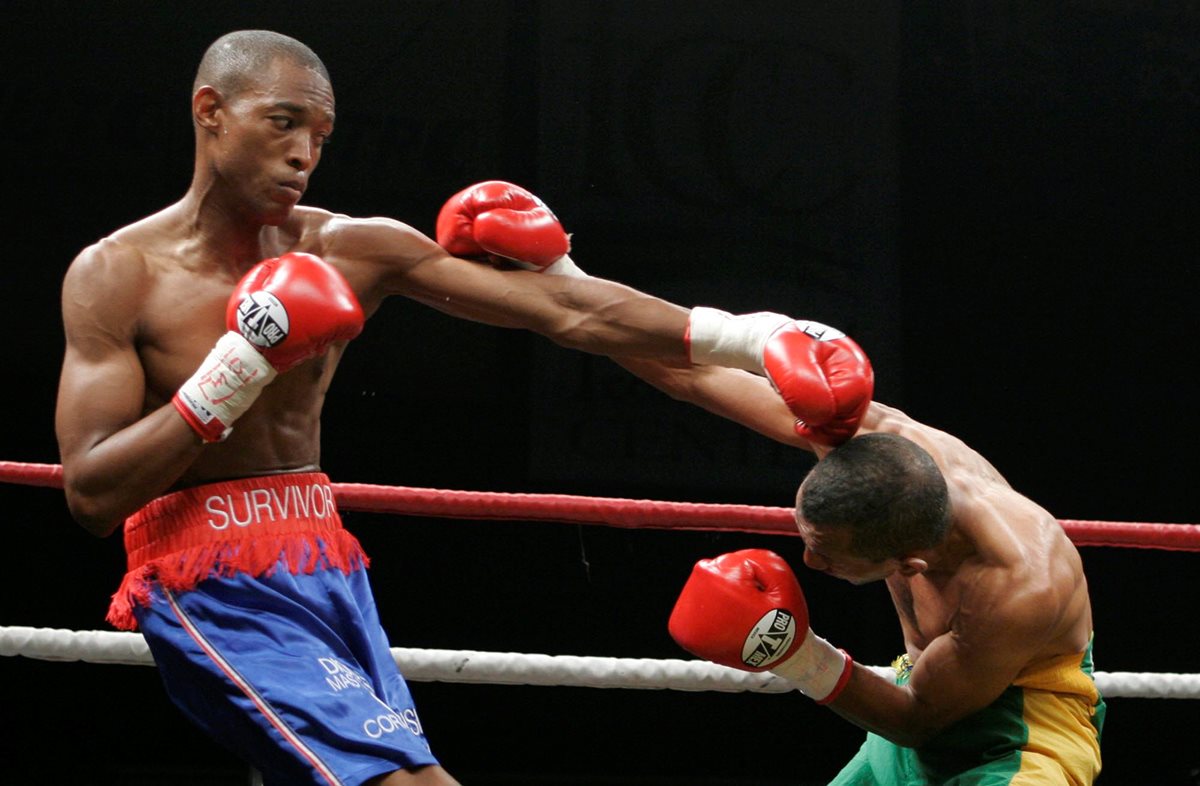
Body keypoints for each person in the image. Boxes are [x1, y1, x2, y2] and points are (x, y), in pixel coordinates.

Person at [53, 30, 873, 786]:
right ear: (210, 111)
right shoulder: (117, 275)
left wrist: (752, 339)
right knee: (407, 782)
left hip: (324, 557)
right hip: (207, 574)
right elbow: (92, 495)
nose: (304, 153)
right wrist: (235, 370)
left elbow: (571, 313)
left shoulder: (347, 247)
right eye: (283, 122)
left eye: (320, 137)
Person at [616, 355, 1104, 783]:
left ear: (909, 565)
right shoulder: (874, 452)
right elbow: (695, 375)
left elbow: (918, 716)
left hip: (1020, 743)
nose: (808, 562)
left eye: (827, 554)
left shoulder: (1018, 586)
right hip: (912, 729)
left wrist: (795, 654)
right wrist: (563, 290)